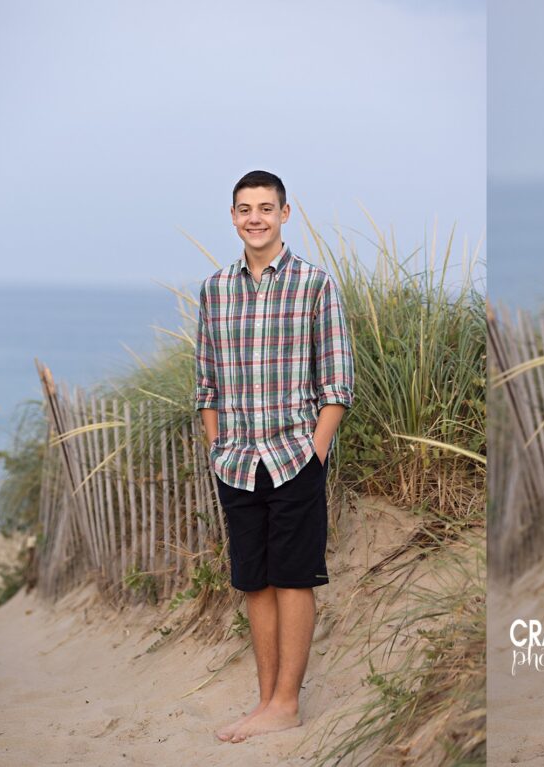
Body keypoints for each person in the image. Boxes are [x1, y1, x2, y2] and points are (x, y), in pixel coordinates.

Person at [195, 170, 354, 742]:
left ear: (286, 213)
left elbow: (337, 383)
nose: (255, 217)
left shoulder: (315, 285)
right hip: (236, 460)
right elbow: (206, 382)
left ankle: (286, 703)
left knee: (293, 580)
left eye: (266, 207)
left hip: (293, 456)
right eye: (245, 208)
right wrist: (217, 444)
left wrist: (316, 451)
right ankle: (266, 702)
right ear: (233, 216)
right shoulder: (215, 289)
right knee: (254, 582)